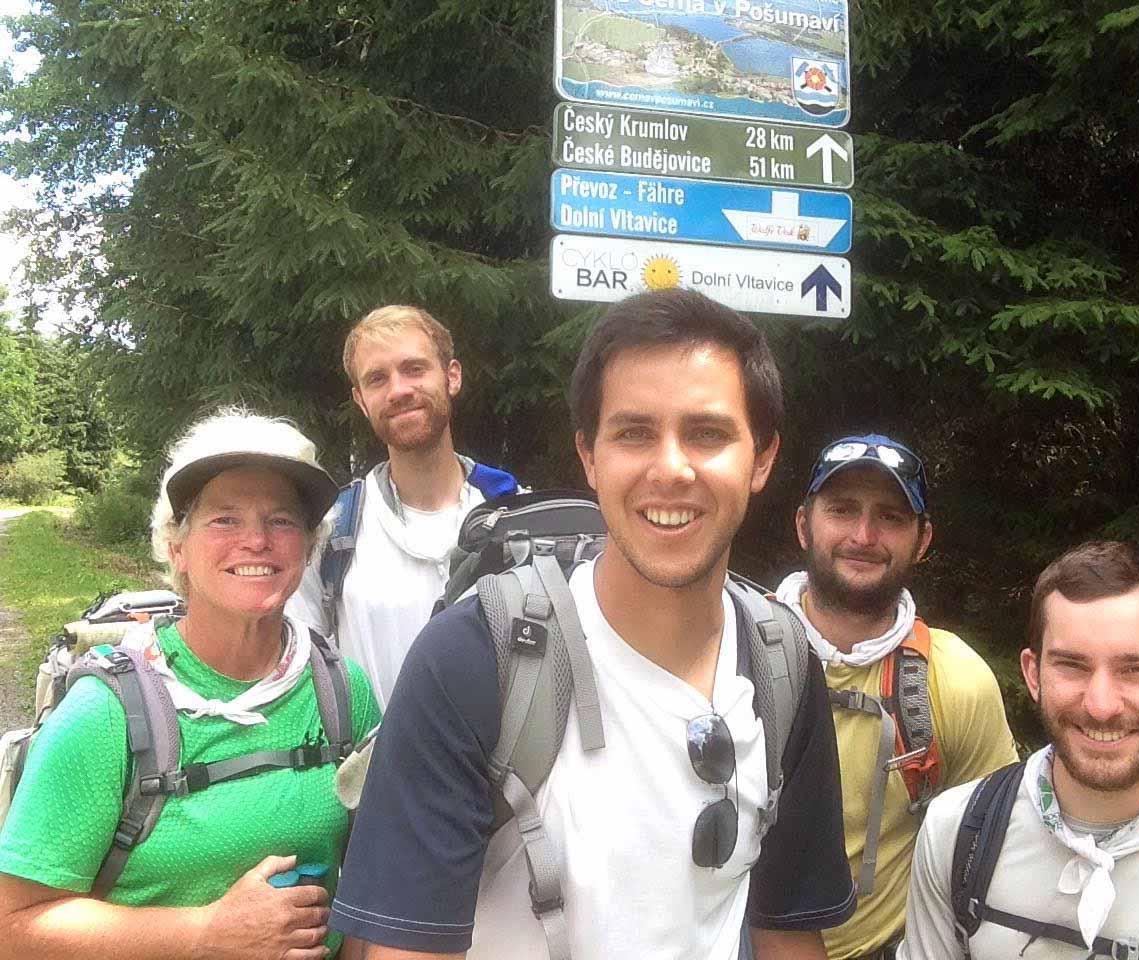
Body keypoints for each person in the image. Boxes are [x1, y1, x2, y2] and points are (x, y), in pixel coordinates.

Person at [332, 289, 855, 959]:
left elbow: (785, 931)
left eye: (707, 433)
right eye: (634, 432)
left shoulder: (780, 661)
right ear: (589, 456)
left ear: (762, 459)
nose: (671, 468)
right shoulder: (472, 661)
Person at [0, 408, 381, 960]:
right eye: (225, 519)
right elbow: (13, 927)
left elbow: (381, 872)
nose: (256, 540)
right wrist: (206, 933)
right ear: (177, 548)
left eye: (281, 520)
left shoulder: (343, 692)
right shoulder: (107, 713)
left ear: (307, 546)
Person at [899, 540, 1139, 959]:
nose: (1100, 706)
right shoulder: (956, 833)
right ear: (1034, 674)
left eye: (1136, 670)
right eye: (1072, 665)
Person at [775, 433, 1017, 960]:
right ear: (802, 525)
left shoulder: (955, 679)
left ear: (922, 540)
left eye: (890, 516)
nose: (864, 535)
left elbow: (992, 853)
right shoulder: (733, 649)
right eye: (842, 509)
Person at [288, 305, 518, 707]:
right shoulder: (332, 530)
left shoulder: (515, 516)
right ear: (361, 400)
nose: (398, 390)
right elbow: (302, 669)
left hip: (499, 769)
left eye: (414, 369)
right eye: (378, 379)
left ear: (452, 376)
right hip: (373, 767)